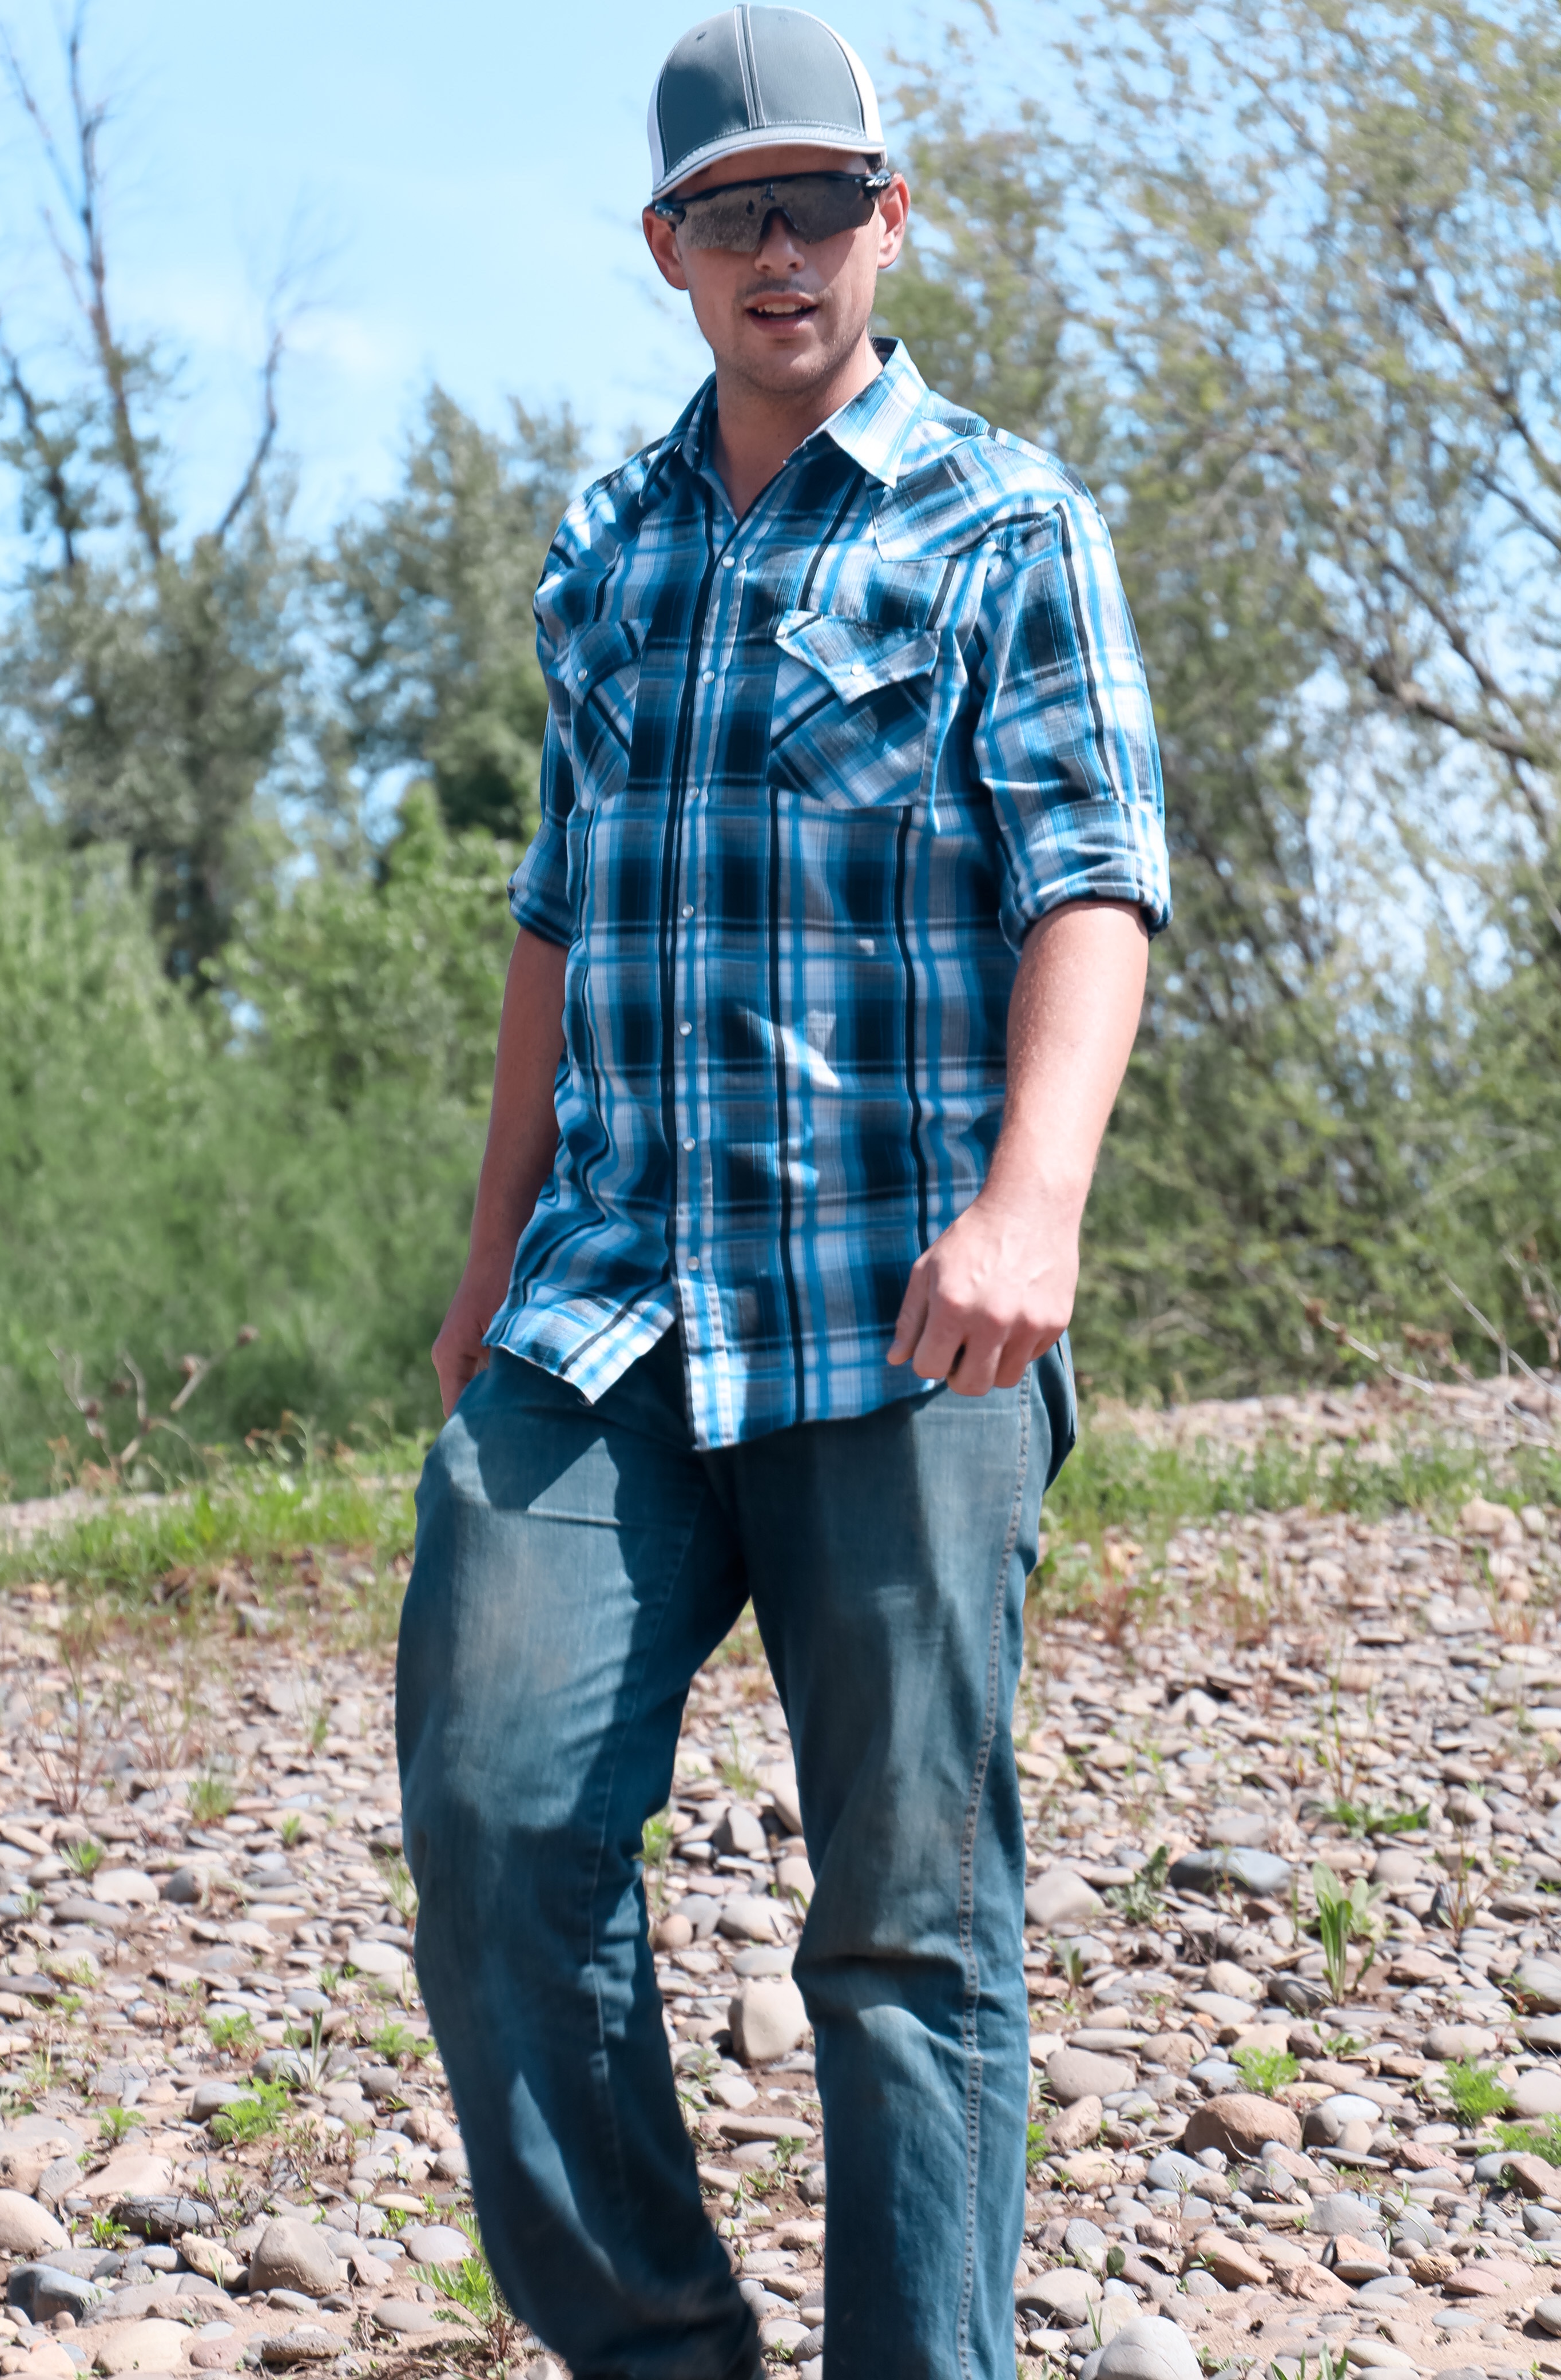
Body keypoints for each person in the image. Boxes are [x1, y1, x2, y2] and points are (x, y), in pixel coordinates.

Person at [396, 8, 1170, 2375]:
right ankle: (662, 2349)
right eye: (732, 211)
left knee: (908, 1928)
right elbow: (557, 917)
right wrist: (487, 1257)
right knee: (496, 1820)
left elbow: (1091, 880)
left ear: (888, 219)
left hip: (904, 1311)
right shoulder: (604, 551)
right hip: (610, 1308)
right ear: (667, 248)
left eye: (821, 200)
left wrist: (1033, 1203)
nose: (781, 248)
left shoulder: (1006, 525)